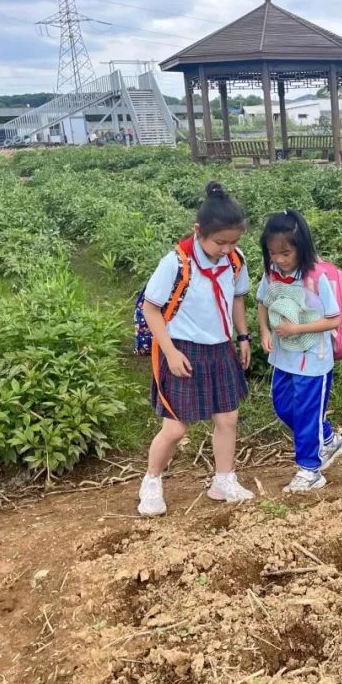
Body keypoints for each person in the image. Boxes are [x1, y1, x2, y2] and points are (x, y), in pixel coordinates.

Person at [137, 182, 255, 516]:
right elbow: (151, 308)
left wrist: (242, 337)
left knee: (228, 418)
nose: (226, 248)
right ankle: (151, 482)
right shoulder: (175, 263)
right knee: (175, 427)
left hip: (220, 348)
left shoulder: (234, 260)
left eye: (233, 242)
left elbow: (236, 298)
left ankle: (223, 480)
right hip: (183, 348)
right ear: (198, 231)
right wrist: (171, 352)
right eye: (220, 242)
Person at [256, 209, 342, 492]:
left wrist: (296, 330)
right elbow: (262, 302)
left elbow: (334, 319)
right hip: (284, 356)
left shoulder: (316, 277)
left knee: (307, 413)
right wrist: (263, 330)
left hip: (313, 359)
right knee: (283, 406)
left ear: (302, 247)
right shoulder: (271, 274)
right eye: (273, 253)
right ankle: (328, 438)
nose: (280, 260)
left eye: (286, 253)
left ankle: (310, 470)